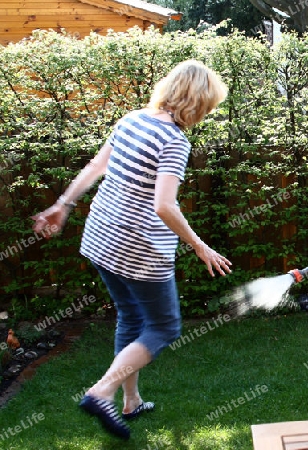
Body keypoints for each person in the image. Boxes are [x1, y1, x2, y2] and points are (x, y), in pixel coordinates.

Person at [32, 60, 232, 439]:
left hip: (101, 238)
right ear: (198, 102)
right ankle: (101, 391)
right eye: (208, 107)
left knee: (130, 316)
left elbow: (95, 167)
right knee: (165, 326)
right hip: (139, 248)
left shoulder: (132, 120)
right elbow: (164, 206)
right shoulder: (174, 140)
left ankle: (131, 401)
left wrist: (64, 203)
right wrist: (200, 246)